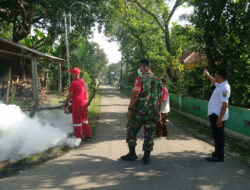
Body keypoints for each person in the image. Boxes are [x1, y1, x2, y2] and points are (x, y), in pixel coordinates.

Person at [120, 59, 162, 165]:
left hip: (139, 111)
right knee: (149, 134)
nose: (140, 69)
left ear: (146, 67)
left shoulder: (140, 79)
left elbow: (135, 95)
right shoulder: (158, 80)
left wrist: (129, 109)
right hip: (153, 112)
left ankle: (132, 153)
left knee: (131, 130)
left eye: (141, 67)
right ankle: (146, 157)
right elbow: (160, 98)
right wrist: (159, 112)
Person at [203, 68, 231, 162]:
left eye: (215, 74)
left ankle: (219, 156)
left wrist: (219, 119)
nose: (214, 76)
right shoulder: (220, 85)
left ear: (220, 76)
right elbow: (213, 81)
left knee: (219, 136)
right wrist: (207, 75)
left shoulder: (224, 88)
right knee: (216, 135)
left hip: (218, 116)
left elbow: (225, 105)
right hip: (215, 115)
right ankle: (217, 153)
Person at [63, 67, 92, 141]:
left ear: (75, 74)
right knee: (84, 120)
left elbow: (70, 94)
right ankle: (88, 136)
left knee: (77, 122)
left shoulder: (74, 83)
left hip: (77, 105)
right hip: (84, 103)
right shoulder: (82, 81)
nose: (71, 76)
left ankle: (78, 139)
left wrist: (65, 102)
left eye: (72, 74)